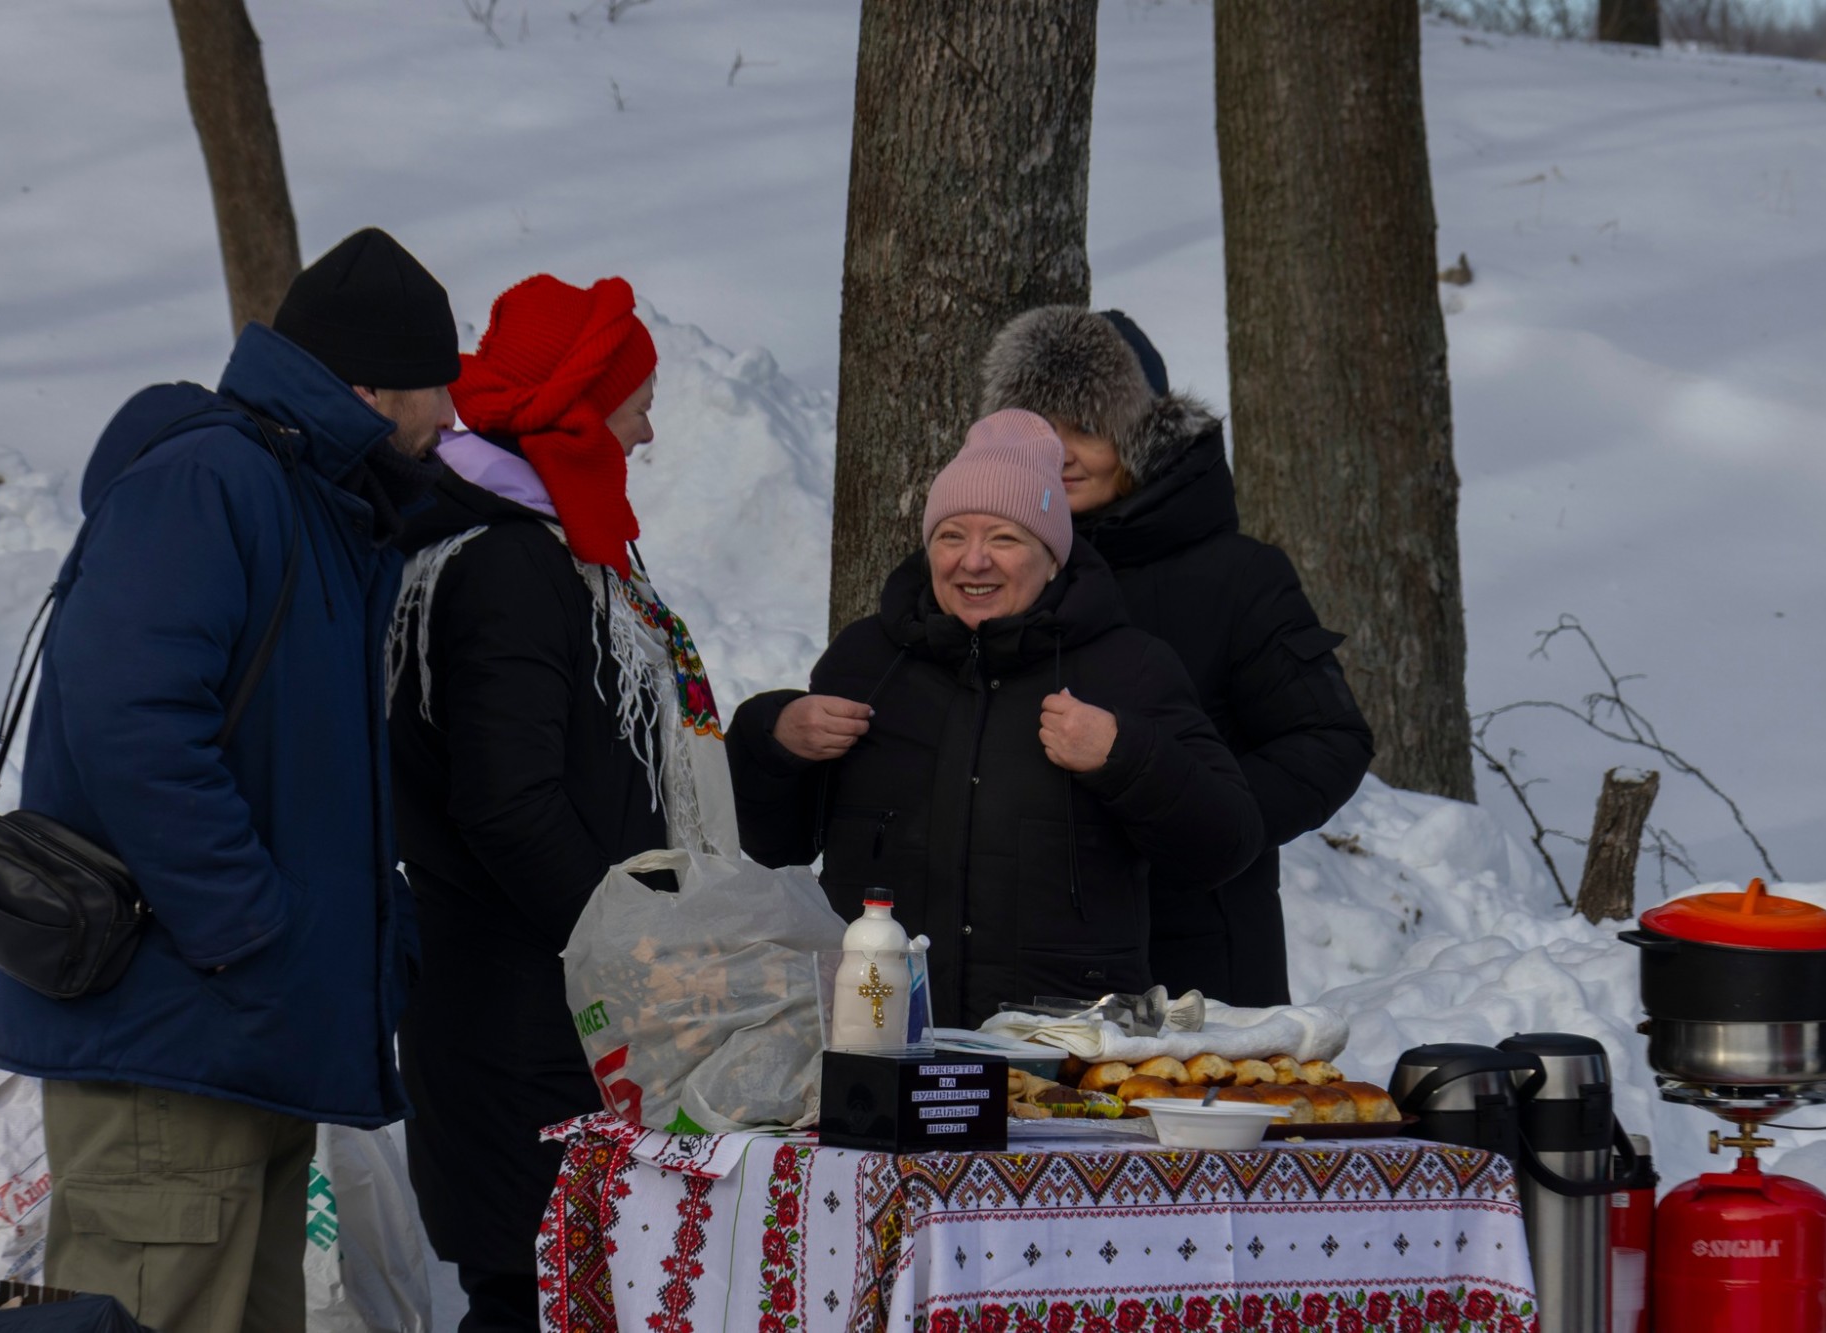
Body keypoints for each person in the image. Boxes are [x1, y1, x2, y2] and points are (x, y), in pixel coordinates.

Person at [0, 227, 457, 1333]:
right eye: (438, 385)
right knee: (151, 1313)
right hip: (176, 1031)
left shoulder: (317, 502)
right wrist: (247, 926)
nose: (447, 417)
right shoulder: (212, 481)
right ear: (370, 383)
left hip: (247, 1035)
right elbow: (129, 719)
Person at [387, 273, 735, 1333]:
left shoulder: (536, 549)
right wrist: (641, 956)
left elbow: (604, 759)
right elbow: (508, 805)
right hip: (525, 1028)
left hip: (549, 1015)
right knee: (534, 1299)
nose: (647, 429)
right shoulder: (501, 566)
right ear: (577, 414)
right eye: (634, 400)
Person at [726, 409, 1264, 1029]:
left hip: (1066, 1051)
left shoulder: (1129, 666)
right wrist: (774, 739)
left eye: (1005, 538)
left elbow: (1225, 845)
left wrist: (1126, 756)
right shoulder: (869, 660)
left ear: (1053, 555)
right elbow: (774, 846)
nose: (973, 561)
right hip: (878, 1037)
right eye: (951, 536)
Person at [979, 307, 1374, 1006]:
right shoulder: (989, 577)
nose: (1063, 453)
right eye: (1042, 431)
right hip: (1030, 972)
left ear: (1144, 441)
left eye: (1089, 428)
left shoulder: (1236, 576)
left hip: (1195, 969)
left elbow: (1328, 740)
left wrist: (1202, 816)